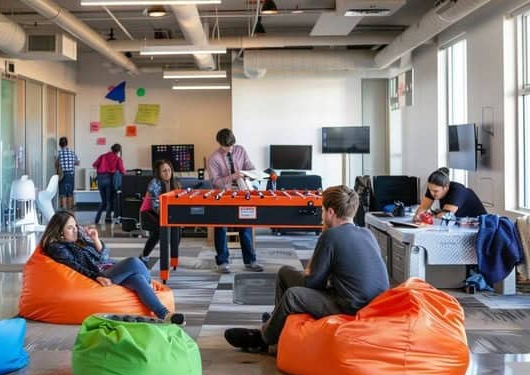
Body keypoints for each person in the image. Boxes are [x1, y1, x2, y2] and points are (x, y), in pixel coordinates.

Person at [224, 185, 389, 352]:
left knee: (292, 295)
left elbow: (313, 283)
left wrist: (321, 241)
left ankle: (262, 339)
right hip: (372, 305)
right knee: (285, 273)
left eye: (322, 210)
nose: (321, 215)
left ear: (330, 212)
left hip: (350, 307)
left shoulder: (331, 235)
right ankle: (275, 323)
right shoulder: (367, 233)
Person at [40, 210, 184, 324]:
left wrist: (95, 240)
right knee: (134, 262)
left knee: (138, 278)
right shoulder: (58, 248)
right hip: (99, 274)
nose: (75, 230)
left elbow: (104, 256)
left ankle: (165, 315)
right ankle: (149, 284)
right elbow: (75, 267)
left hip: (107, 267)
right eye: (70, 228)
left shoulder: (79, 240)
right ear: (60, 232)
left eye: (75, 226)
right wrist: (96, 276)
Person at [207, 128, 263, 273]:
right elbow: (215, 182)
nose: (230, 149)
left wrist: (251, 173)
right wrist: (233, 176)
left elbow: (249, 167)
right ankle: (222, 263)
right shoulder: (213, 158)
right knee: (221, 227)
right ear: (219, 143)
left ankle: (250, 261)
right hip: (223, 195)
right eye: (226, 146)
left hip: (242, 193)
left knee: (245, 226)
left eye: (232, 145)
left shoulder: (240, 150)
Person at [139, 160, 181, 264]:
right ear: (159, 173)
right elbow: (156, 206)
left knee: (177, 230)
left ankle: (173, 257)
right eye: (164, 171)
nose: (167, 173)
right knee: (158, 233)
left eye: (169, 170)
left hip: (167, 212)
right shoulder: (154, 183)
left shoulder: (175, 183)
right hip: (150, 213)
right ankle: (144, 257)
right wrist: (170, 216)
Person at [413, 167, 487, 222]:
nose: (432, 193)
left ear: (446, 187)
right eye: (430, 190)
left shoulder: (458, 191)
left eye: (436, 191)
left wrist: (426, 216)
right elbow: (422, 208)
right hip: (460, 223)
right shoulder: (433, 188)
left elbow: (445, 215)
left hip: (479, 226)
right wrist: (418, 216)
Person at [92, 143, 125, 224]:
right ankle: (107, 219)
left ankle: (97, 219)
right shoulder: (118, 159)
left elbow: (94, 165)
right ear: (119, 151)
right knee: (109, 201)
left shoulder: (103, 156)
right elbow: (122, 171)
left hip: (100, 180)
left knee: (103, 201)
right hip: (109, 180)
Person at [56, 137, 79, 211]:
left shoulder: (58, 153)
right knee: (69, 193)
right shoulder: (72, 153)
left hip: (62, 175)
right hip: (71, 175)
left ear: (60, 144)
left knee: (63, 194)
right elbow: (77, 163)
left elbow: (56, 164)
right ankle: (69, 211)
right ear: (67, 143)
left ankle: (64, 211)